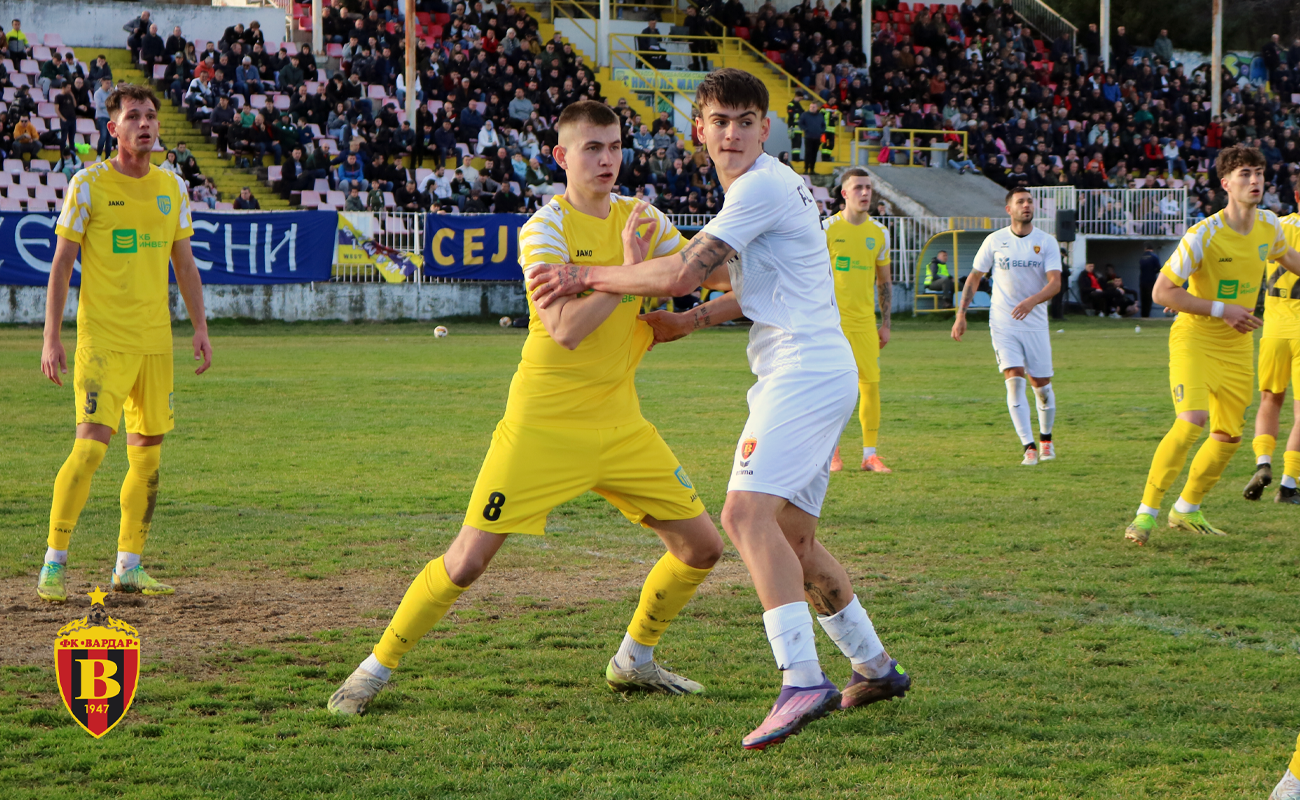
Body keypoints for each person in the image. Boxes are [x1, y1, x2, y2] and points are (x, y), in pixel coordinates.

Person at [527, 70, 910, 751]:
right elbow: (754, 282)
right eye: (720, 121)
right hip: (815, 367)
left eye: (745, 121)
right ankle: (875, 667)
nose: (732, 133)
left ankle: (802, 679)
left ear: (765, 129)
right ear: (698, 130)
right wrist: (693, 320)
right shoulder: (767, 186)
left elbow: (683, 273)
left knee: (742, 516)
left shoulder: (759, 185)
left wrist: (584, 274)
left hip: (802, 369)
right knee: (793, 539)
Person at [327, 100, 724, 717]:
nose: (607, 160)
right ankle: (370, 672)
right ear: (561, 156)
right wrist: (626, 269)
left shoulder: (642, 219)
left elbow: (709, 277)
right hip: (541, 425)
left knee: (701, 549)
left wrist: (722, 274)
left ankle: (634, 660)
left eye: (615, 146)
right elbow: (565, 329)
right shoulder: (545, 229)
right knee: (466, 562)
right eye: (592, 148)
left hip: (621, 425)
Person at [35, 84, 211, 604]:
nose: (145, 123)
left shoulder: (172, 185)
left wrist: (200, 327)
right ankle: (53, 563)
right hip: (103, 341)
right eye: (133, 116)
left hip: (155, 342)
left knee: (147, 458)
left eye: (150, 115)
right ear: (114, 129)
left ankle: (128, 567)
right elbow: (62, 263)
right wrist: (51, 336)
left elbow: (185, 263)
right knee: (90, 448)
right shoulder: (88, 184)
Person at [1123, 145, 1300, 545]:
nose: (1254, 181)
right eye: (1244, 174)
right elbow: (1162, 292)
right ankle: (1145, 514)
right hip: (1195, 337)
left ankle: (1187, 509)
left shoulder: (1269, 225)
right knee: (1192, 420)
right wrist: (1222, 309)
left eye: (1258, 173)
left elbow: (1291, 258)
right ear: (1225, 184)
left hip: (1237, 344)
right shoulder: (1203, 234)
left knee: (1228, 436)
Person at [951, 188, 1063, 466]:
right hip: (1003, 322)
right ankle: (1029, 447)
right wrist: (961, 314)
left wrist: (1031, 301)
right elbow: (974, 277)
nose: (1026, 205)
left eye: (1029, 201)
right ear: (1009, 209)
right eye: (1020, 202)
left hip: (1035, 325)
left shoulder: (1046, 241)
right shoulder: (995, 240)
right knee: (1014, 380)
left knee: (1041, 386)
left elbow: (1055, 283)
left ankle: (1046, 440)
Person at [823, 169, 894, 474]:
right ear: (844, 193)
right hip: (831, 324)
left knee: (870, 386)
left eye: (868, 188)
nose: (865, 193)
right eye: (858, 188)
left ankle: (870, 455)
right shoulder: (826, 229)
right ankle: (832, 453)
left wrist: (886, 323)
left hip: (865, 324)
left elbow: (884, 282)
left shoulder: (879, 233)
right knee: (831, 389)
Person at [1242, 188, 1300, 506]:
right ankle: (1288, 486)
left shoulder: (1274, 226)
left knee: (1269, 400)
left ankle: (1263, 462)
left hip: (1274, 329)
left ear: (1296, 195)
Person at [1138, 244, 1161, 317]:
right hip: (1151, 280)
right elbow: (1159, 268)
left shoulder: (1142, 257)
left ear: (1145, 248)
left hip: (1142, 280)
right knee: (1149, 298)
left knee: (1143, 298)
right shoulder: (1154, 257)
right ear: (1152, 249)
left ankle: (1143, 315)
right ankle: (1147, 315)